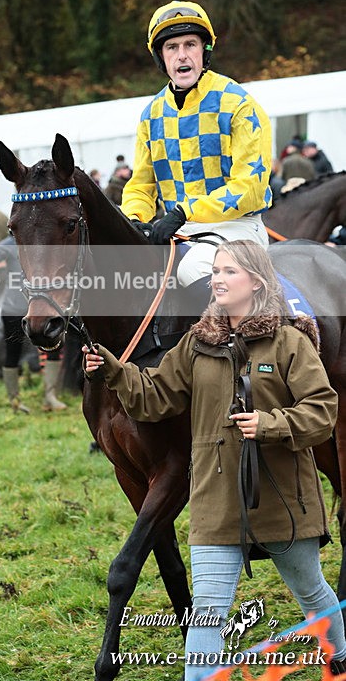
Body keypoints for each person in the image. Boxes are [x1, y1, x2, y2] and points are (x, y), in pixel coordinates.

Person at [83, 240, 346, 678]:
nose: (218, 280)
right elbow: (154, 398)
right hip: (215, 502)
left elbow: (321, 411)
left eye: (230, 272)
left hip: (282, 499)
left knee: (312, 592)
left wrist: (270, 425)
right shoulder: (196, 344)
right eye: (216, 271)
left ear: (257, 282)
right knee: (207, 608)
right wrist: (114, 370)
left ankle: (339, 653)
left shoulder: (289, 342)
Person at [121, 0, 272, 304]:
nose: (182, 55)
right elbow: (140, 185)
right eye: (172, 47)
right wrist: (133, 220)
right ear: (161, 58)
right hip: (179, 231)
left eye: (190, 44)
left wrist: (183, 212)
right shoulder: (151, 115)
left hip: (237, 227)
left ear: (205, 51)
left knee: (193, 269)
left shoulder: (239, 104)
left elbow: (250, 188)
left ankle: (232, 348)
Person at [0, 235, 67, 412]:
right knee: (12, 352)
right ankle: (14, 401)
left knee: (55, 347)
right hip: (13, 309)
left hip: (44, 307)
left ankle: (50, 396)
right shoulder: (8, 244)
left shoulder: (44, 242)